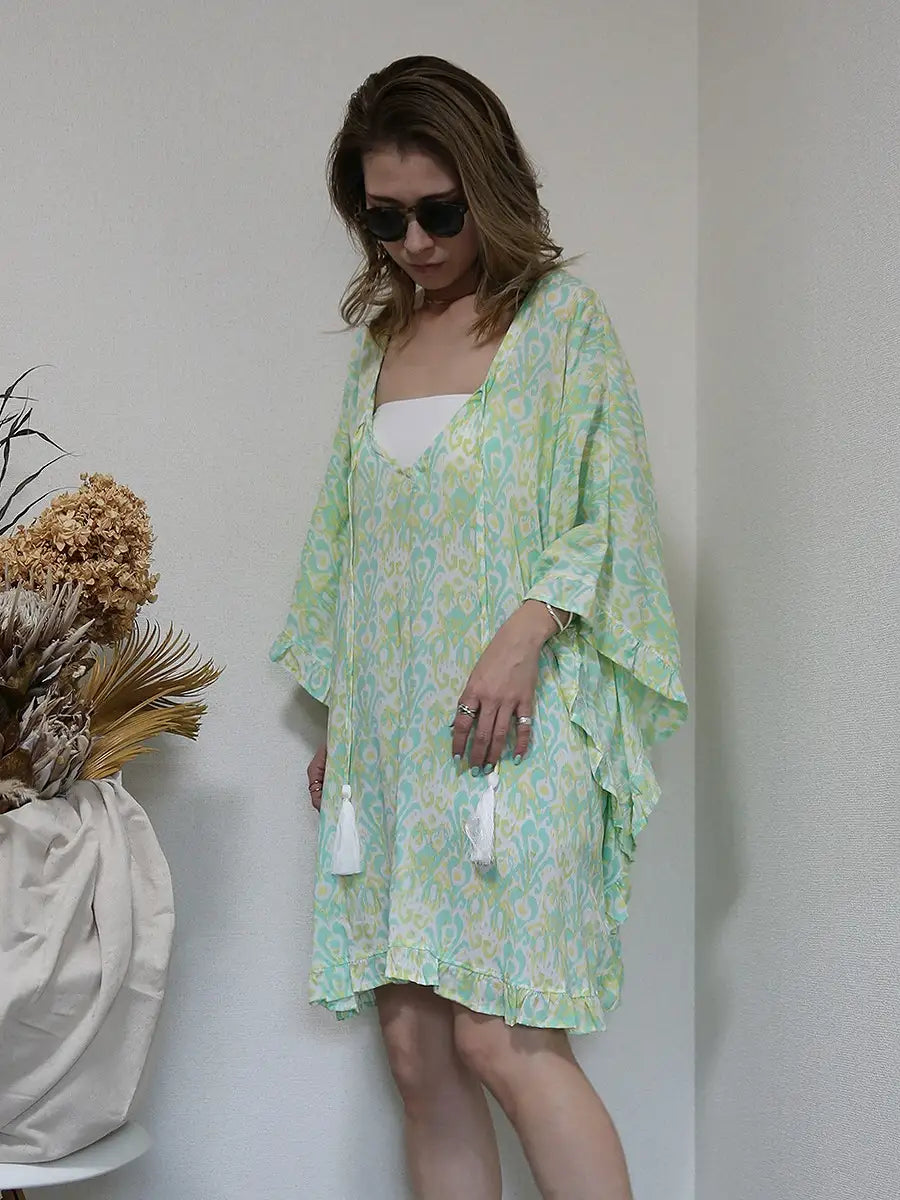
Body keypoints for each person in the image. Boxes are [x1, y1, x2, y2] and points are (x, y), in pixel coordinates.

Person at [270, 54, 689, 1200]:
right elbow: (352, 554)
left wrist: (523, 632)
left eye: (439, 212)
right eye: (385, 218)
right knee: (416, 1050)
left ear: (490, 188)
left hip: (523, 731)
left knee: (504, 1040)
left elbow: (616, 514)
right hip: (398, 744)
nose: (413, 242)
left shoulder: (562, 327)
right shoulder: (380, 350)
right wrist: (348, 717)